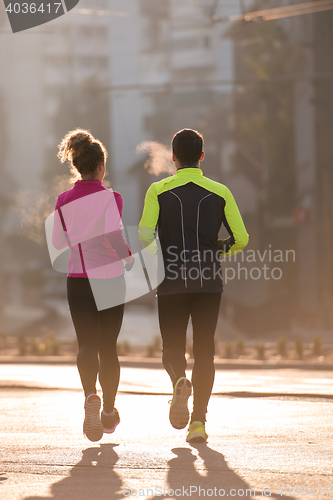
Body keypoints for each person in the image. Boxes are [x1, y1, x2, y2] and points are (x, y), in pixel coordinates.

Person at [139, 129, 249, 443]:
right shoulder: (220, 191)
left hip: (171, 282)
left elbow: (145, 237)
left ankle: (178, 380)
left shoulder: (158, 190)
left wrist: (163, 255)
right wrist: (219, 250)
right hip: (208, 284)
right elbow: (241, 239)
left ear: (173, 157)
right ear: (202, 156)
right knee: (205, 353)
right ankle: (198, 424)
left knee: (172, 348)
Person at [51, 128, 134, 442]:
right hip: (110, 278)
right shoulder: (112, 198)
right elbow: (114, 236)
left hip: (78, 279)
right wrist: (127, 258)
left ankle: (90, 396)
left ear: (76, 166)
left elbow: (59, 241)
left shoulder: (64, 199)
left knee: (86, 344)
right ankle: (109, 412)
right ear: (101, 167)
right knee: (108, 348)